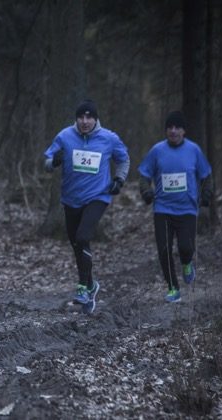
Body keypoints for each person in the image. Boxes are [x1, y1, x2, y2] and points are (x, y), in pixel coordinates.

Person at [43, 99, 130, 314]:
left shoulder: (108, 138)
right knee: (76, 244)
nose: (84, 121)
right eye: (81, 117)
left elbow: (124, 158)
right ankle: (91, 285)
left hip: (97, 197)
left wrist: (119, 179)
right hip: (71, 198)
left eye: (89, 117)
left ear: (95, 119)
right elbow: (47, 161)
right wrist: (54, 161)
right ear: (76, 118)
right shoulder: (64, 136)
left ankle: (82, 288)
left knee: (83, 237)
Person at [137, 111, 212, 303]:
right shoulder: (157, 151)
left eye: (177, 127)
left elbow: (206, 175)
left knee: (186, 247)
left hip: (187, 209)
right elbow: (144, 175)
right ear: (165, 130)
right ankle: (173, 288)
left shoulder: (194, 150)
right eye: (169, 127)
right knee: (164, 250)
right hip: (162, 209)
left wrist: (206, 195)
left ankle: (187, 263)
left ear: (184, 131)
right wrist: (146, 192)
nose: (173, 131)